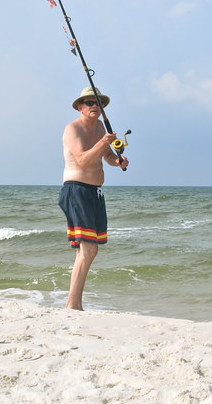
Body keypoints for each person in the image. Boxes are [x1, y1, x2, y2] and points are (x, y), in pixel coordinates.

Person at [57, 86, 128, 310]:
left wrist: (118, 161)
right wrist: (103, 142)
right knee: (89, 250)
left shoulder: (99, 128)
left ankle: (74, 303)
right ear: (80, 107)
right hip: (76, 190)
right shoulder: (72, 129)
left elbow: (105, 156)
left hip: (95, 193)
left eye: (98, 102)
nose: (95, 106)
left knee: (85, 250)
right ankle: (72, 305)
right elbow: (83, 161)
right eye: (89, 103)